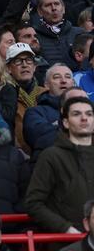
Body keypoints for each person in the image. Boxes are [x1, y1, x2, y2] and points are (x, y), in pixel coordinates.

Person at [26, 95, 94, 232]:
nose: (84, 118)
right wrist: (65, 228)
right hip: (68, 245)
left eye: (89, 114)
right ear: (65, 123)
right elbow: (33, 203)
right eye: (76, 114)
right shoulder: (51, 156)